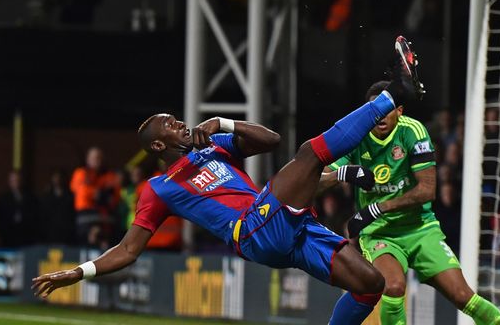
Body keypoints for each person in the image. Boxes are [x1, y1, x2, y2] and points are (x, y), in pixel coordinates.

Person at [32, 36, 423, 325]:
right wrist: (77, 272)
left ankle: (394, 94)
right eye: (170, 124)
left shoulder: (215, 146)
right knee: (310, 154)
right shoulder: (159, 188)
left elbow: (271, 141)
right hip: (252, 229)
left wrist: (223, 123)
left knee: (370, 284)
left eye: (176, 118)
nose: (180, 123)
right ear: (156, 145)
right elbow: (129, 249)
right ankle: (393, 94)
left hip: (290, 228)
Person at [322, 80, 500, 325]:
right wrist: (342, 174)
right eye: (373, 109)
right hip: (381, 234)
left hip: (421, 229)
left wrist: (379, 207)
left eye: (385, 108)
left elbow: (427, 190)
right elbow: (317, 178)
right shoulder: (357, 136)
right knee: (395, 287)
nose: (379, 114)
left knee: (464, 296)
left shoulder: (413, 131)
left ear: (399, 110)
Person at [0, 170, 39, 247]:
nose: (16, 182)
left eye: (17, 180)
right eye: (13, 180)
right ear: (9, 182)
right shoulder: (3, 199)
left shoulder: (30, 198)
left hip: (26, 239)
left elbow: (36, 217)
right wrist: (4, 230)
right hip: (8, 239)